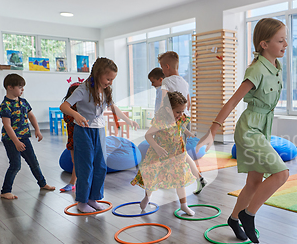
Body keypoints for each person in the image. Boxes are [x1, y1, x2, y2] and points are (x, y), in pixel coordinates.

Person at [196, 18, 290, 243]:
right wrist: (213, 131)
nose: (285, 44)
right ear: (264, 44)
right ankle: (249, 215)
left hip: (263, 128)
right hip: (249, 130)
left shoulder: (276, 67)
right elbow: (232, 101)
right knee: (281, 174)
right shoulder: (256, 69)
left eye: (285, 39)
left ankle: (234, 219)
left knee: (254, 183)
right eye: (280, 40)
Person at [60, 57, 139, 213]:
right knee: (85, 166)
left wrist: (128, 120)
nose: (110, 82)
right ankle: (82, 202)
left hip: (99, 130)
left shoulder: (105, 90)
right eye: (108, 78)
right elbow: (64, 106)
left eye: (112, 79)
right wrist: (76, 115)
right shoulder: (83, 89)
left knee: (101, 165)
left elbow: (113, 107)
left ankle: (93, 198)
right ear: (97, 74)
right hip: (83, 130)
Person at [131, 91, 196, 215]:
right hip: (160, 154)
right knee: (152, 177)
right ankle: (147, 197)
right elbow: (148, 135)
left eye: (182, 111)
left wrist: (188, 134)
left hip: (176, 154)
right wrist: (156, 147)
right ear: (167, 109)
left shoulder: (180, 118)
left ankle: (184, 205)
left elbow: (181, 126)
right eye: (178, 111)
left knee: (180, 179)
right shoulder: (161, 122)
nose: (181, 114)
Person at [0, 73, 55, 200]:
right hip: (11, 140)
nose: (22, 89)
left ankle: (42, 183)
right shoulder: (5, 105)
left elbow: (31, 116)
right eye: (20, 87)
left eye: (23, 87)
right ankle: (5, 191)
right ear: (10, 87)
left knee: (33, 161)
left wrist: (38, 130)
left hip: (24, 137)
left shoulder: (23, 102)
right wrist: (16, 142)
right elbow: (7, 126)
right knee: (15, 165)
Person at [158, 51, 207, 195]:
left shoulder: (167, 81)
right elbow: (189, 102)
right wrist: (183, 116)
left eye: (162, 68)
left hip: (172, 120)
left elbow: (164, 100)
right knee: (180, 152)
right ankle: (197, 178)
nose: (162, 71)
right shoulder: (184, 82)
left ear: (167, 66)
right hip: (184, 118)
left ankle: (184, 179)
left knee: (174, 152)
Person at [59, 81, 80, 192]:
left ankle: (73, 182)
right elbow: (67, 119)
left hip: (82, 136)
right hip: (72, 136)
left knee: (78, 160)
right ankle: (74, 182)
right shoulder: (68, 105)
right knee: (74, 160)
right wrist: (76, 117)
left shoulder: (83, 104)